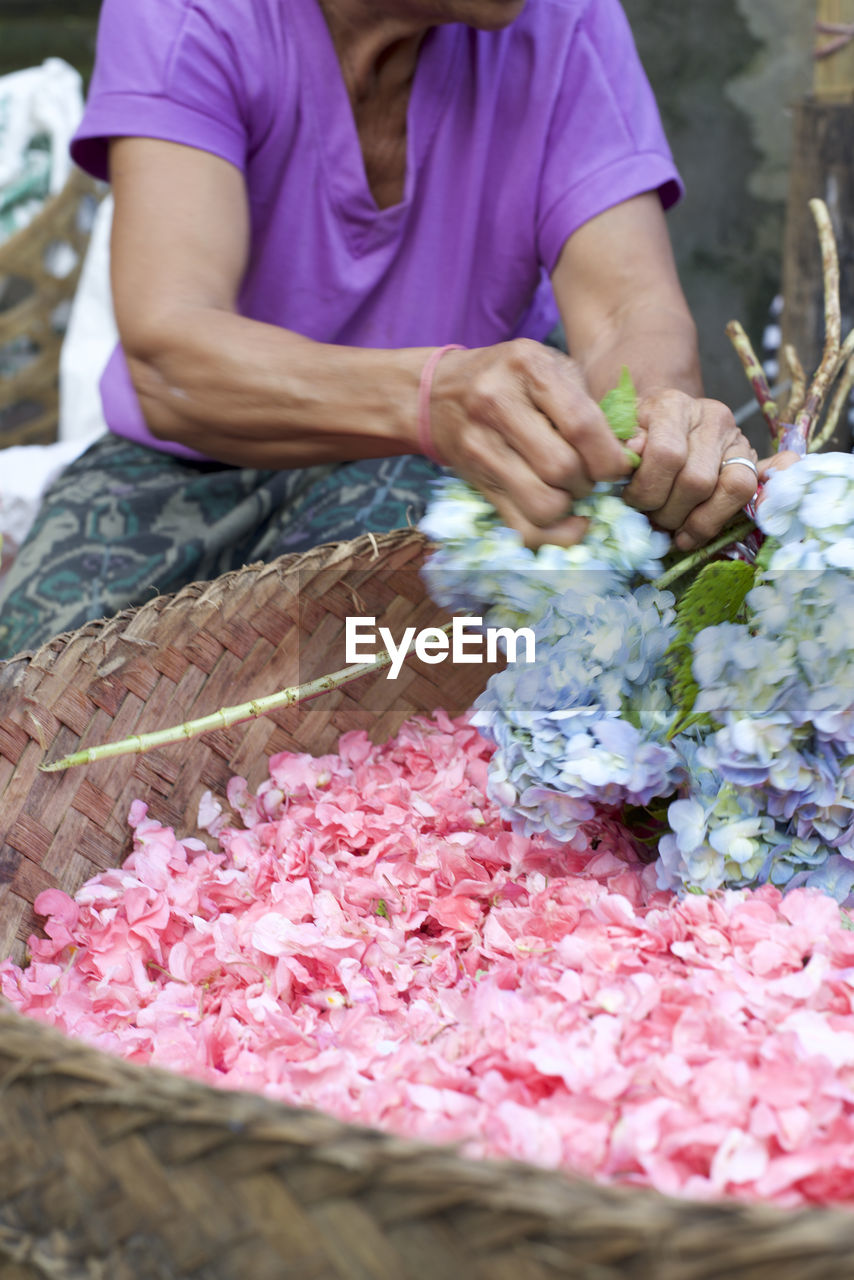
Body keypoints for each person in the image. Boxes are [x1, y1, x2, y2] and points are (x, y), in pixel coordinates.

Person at [0, 0, 761, 659]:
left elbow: (630, 311)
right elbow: (172, 357)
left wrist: (663, 418)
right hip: (198, 454)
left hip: (451, 465)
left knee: (347, 686)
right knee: (39, 699)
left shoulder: (563, 21)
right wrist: (434, 395)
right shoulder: (194, 13)